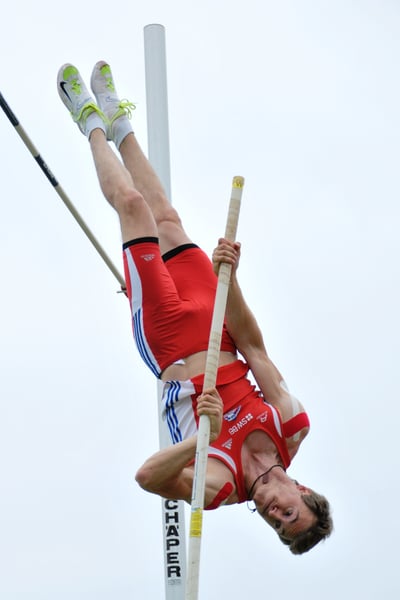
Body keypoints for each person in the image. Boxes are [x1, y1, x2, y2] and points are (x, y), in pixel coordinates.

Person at [57, 61, 333, 554]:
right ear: (304, 491)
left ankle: (89, 121)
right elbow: (252, 343)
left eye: (276, 525)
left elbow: (147, 476)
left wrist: (202, 438)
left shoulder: (218, 487)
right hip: (214, 320)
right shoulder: (292, 425)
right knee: (165, 214)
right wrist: (231, 277)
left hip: (168, 341)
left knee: (134, 208)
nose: (274, 514)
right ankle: (120, 122)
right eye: (289, 513)